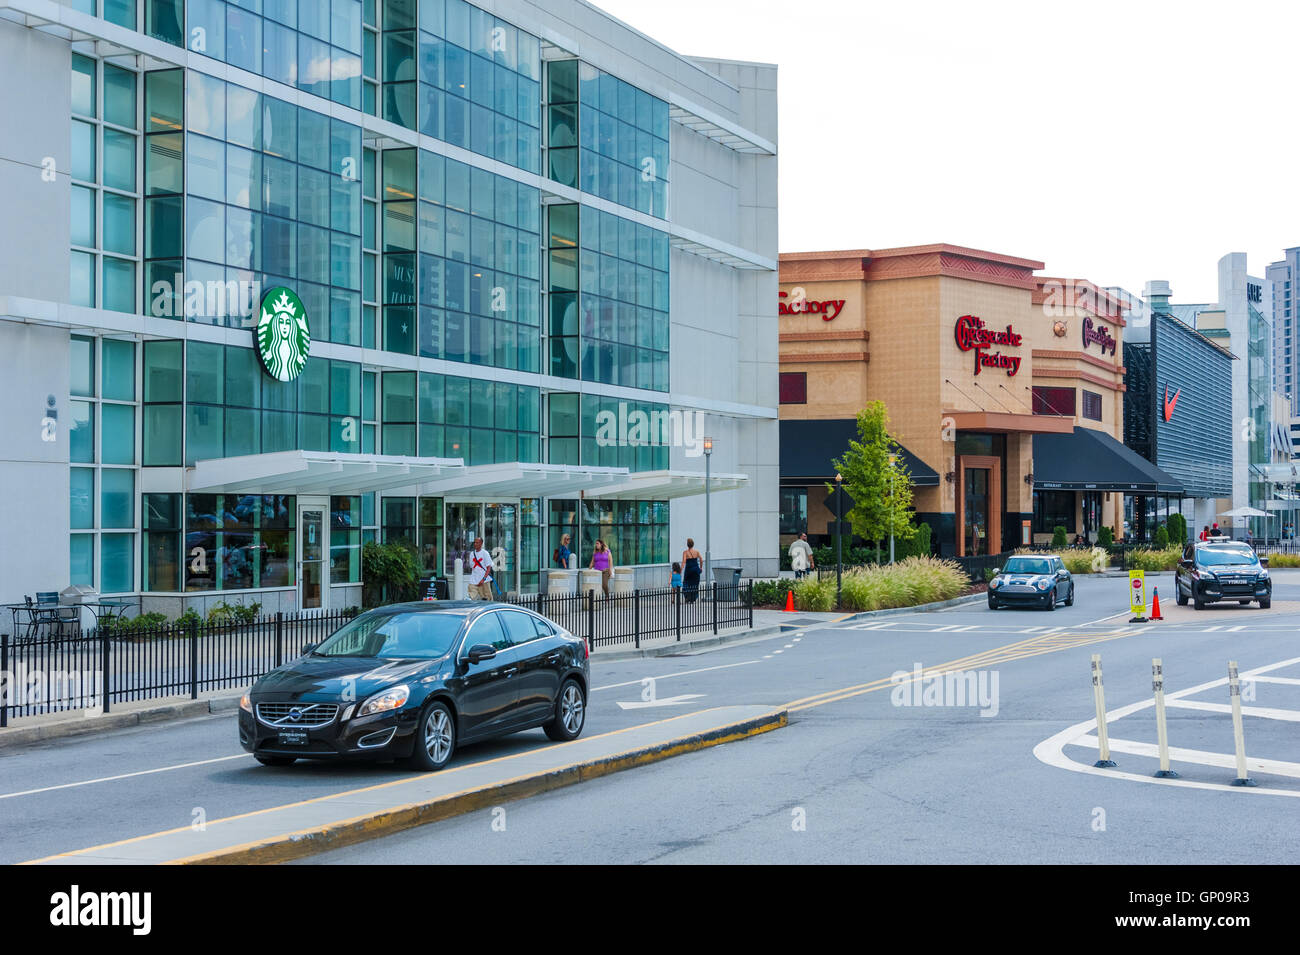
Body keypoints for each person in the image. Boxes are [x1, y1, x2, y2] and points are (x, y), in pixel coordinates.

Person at [467, 536, 494, 600]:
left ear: (481, 544)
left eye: (477, 543)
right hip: (474, 580)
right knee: (470, 596)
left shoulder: (485, 553)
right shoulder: (472, 554)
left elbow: (488, 568)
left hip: (484, 580)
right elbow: (472, 567)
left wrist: (483, 579)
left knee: (487, 598)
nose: (475, 544)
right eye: (474, 542)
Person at [681, 538, 702, 603]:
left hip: (689, 570)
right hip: (696, 569)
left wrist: (681, 569)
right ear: (693, 544)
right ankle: (693, 598)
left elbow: (684, 562)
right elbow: (701, 560)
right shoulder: (697, 552)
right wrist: (701, 568)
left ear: (687, 545)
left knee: (687, 583)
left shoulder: (685, 552)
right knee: (695, 584)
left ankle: (687, 597)